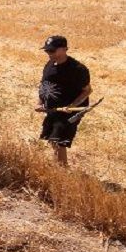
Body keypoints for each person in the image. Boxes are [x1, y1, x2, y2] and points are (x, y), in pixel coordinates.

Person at [34, 35, 92, 167]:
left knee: (59, 140)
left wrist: (72, 106)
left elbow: (87, 90)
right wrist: (39, 102)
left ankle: (62, 170)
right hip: (53, 109)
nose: (49, 54)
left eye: (52, 51)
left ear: (65, 49)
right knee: (52, 139)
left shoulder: (77, 69)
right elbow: (44, 85)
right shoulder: (49, 64)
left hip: (70, 112)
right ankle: (58, 166)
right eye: (47, 51)